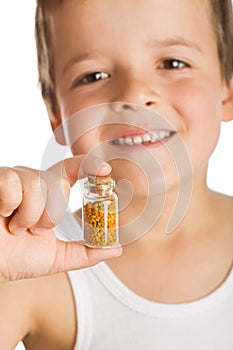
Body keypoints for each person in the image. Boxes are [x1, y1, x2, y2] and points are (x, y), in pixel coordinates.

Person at [0, 0, 233, 348]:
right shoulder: (30, 269)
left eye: (173, 63)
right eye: (93, 76)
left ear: (227, 90)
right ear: (57, 116)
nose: (134, 94)